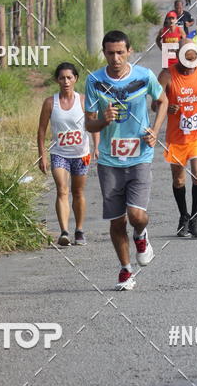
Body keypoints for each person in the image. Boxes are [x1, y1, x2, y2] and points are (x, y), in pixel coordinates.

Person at [85, 31, 168, 290]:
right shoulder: (94, 81)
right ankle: (125, 270)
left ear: (129, 51)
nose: (116, 58)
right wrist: (103, 120)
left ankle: (141, 235)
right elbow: (89, 123)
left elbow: (162, 100)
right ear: (104, 53)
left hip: (140, 155)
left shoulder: (144, 76)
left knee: (136, 215)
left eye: (120, 52)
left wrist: (155, 130)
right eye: (110, 53)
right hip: (109, 161)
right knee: (117, 220)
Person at [158, 42, 197, 238]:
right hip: (176, 136)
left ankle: (195, 218)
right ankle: (183, 216)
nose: (191, 64)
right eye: (188, 60)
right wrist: (167, 107)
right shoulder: (167, 75)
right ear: (179, 56)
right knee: (178, 180)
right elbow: (155, 104)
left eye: (194, 59)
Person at [37, 62, 99, 246]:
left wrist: (97, 146)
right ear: (57, 80)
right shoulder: (50, 103)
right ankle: (64, 231)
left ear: (75, 79)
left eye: (69, 78)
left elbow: (94, 125)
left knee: (78, 192)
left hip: (81, 154)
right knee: (62, 189)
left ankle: (79, 230)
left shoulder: (83, 100)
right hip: (59, 153)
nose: (66, 81)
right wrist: (42, 155)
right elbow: (41, 131)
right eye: (62, 78)